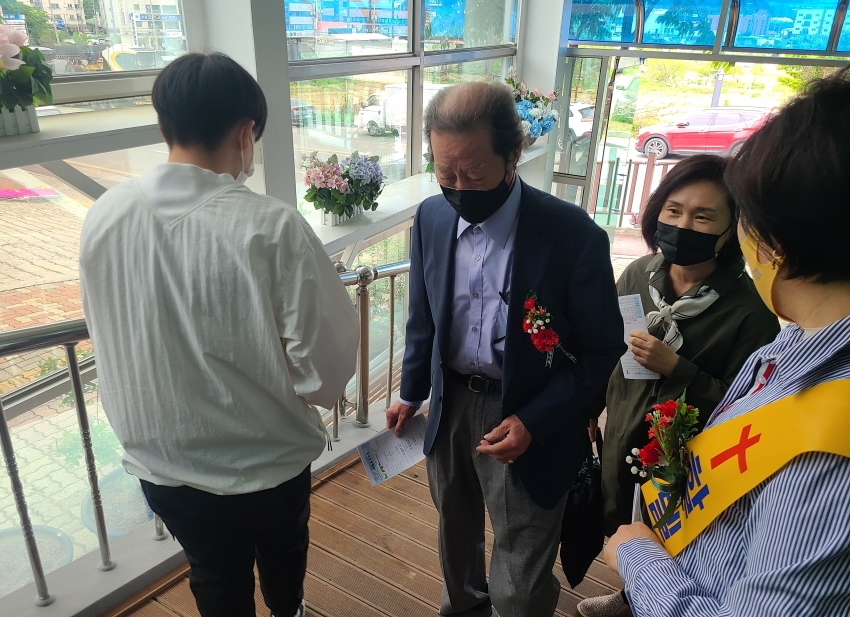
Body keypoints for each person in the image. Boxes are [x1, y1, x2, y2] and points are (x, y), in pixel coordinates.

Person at [78, 53, 359, 617]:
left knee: (212, 572)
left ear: (165, 126)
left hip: (164, 463)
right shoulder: (270, 226)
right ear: (245, 133)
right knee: (282, 555)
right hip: (267, 462)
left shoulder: (104, 215)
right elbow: (325, 371)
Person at [604, 69, 850, 616]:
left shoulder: (828, 444)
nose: (683, 226)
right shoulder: (785, 352)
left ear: (766, 237)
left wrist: (640, 563)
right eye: (673, 211)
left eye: (718, 217)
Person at [385, 82, 626, 617]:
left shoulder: (572, 236)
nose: (459, 187)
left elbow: (601, 349)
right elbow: (423, 316)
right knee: (455, 537)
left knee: (520, 571)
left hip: (528, 412)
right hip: (450, 405)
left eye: (475, 173)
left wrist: (536, 420)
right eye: (445, 172)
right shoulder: (431, 218)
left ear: (513, 154)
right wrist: (411, 392)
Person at [577, 155, 779, 617]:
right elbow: (609, 349)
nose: (683, 225)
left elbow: (747, 408)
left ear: (732, 229)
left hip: (688, 462)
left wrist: (677, 368)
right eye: (674, 210)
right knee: (622, 520)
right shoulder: (637, 275)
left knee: (676, 543)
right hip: (623, 432)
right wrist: (589, 409)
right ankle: (631, 596)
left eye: (703, 217)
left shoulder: (750, 312)